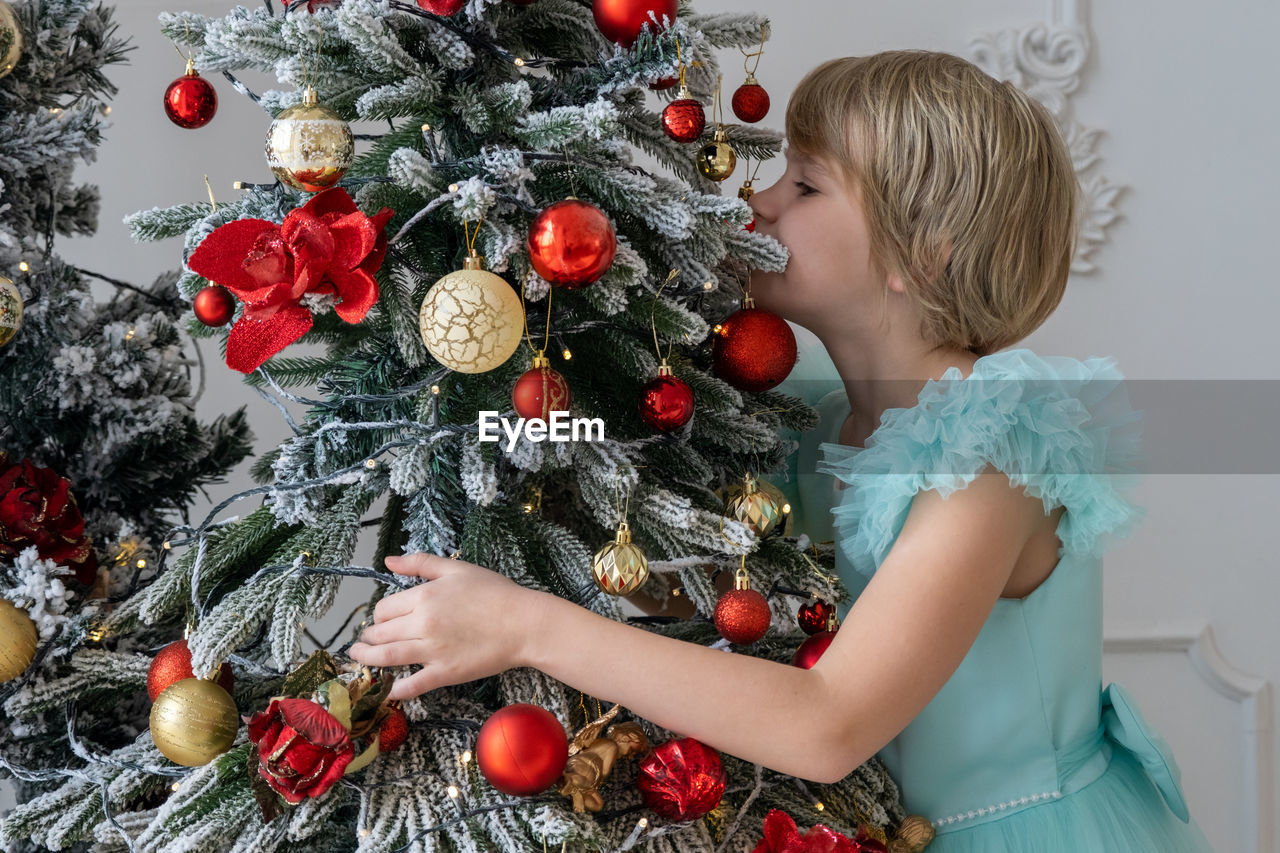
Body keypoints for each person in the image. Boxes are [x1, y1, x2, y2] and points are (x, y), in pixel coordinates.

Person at [350, 51, 1214, 851]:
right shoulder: (818, 423)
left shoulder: (993, 451)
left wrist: (524, 624)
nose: (758, 201)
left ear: (923, 253)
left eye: (805, 185)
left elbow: (826, 724)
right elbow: (696, 591)